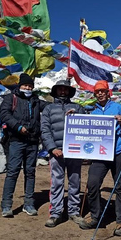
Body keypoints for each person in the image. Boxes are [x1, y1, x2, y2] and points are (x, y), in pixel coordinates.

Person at [79, 80, 121, 236]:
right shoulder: (93, 112)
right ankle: (96, 216)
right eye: (97, 92)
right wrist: (72, 117)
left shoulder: (118, 107)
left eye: (102, 91)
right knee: (92, 183)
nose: (100, 93)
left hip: (118, 152)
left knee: (120, 187)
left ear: (108, 93)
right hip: (100, 155)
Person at [0, 73, 48, 217]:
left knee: (30, 172)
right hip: (16, 140)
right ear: (20, 86)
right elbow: (4, 115)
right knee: (13, 172)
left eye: (30, 86)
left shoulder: (36, 100)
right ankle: (6, 206)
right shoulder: (10, 98)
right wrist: (18, 127)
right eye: (25, 85)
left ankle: (29, 204)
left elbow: (50, 107)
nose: (28, 88)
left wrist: (68, 106)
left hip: (32, 141)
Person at [40, 79, 86, 228]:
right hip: (56, 151)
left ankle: (73, 211)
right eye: (60, 89)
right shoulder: (48, 109)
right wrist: (52, 148)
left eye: (66, 89)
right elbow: (45, 130)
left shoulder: (78, 108)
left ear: (69, 92)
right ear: (56, 91)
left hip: (74, 151)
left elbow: (87, 125)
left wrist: (77, 117)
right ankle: (56, 213)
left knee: (74, 182)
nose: (63, 91)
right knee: (57, 183)